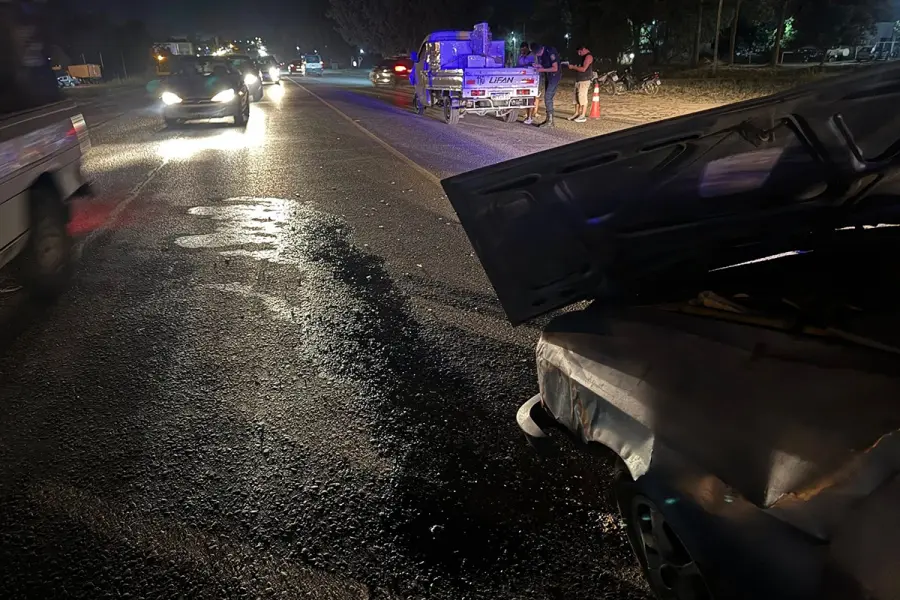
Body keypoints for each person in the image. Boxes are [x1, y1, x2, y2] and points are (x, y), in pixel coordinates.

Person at [532, 43, 561, 127]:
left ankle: (550, 121)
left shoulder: (550, 51)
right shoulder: (542, 53)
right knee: (547, 97)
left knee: (548, 97)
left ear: (541, 50)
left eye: (537, 54)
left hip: (554, 76)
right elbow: (545, 64)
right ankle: (549, 120)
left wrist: (542, 69)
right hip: (548, 75)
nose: (538, 56)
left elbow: (555, 68)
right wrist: (538, 66)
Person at [566, 44, 594, 123]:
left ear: (583, 49)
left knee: (582, 97)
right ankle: (576, 113)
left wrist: (573, 67)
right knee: (576, 98)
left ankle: (583, 115)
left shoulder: (588, 57)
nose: (579, 54)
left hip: (584, 80)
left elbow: (583, 69)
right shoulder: (583, 57)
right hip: (579, 80)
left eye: (580, 52)